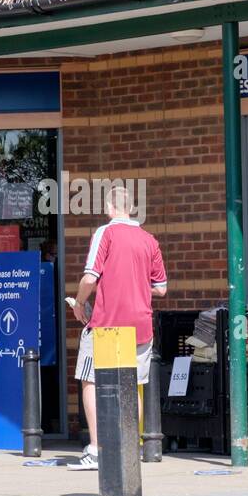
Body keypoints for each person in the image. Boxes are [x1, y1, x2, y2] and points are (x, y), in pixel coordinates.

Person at [68, 185, 167, 469]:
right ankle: (126, 450)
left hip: (106, 324)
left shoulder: (105, 233)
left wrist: (79, 304)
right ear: (131, 208)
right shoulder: (150, 240)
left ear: (110, 208)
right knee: (132, 385)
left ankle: (97, 451)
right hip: (140, 325)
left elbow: (89, 278)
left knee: (90, 381)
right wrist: (134, 281)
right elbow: (161, 288)